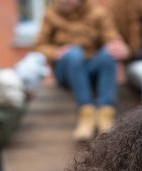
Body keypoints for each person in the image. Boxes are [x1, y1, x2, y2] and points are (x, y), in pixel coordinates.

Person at [35, 0, 129, 141]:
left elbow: (111, 37)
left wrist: (118, 46)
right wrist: (56, 52)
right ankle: (86, 113)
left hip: (91, 68)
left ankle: (105, 113)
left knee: (109, 53)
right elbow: (40, 45)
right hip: (66, 70)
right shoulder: (51, 15)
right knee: (74, 53)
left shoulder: (98, 13)